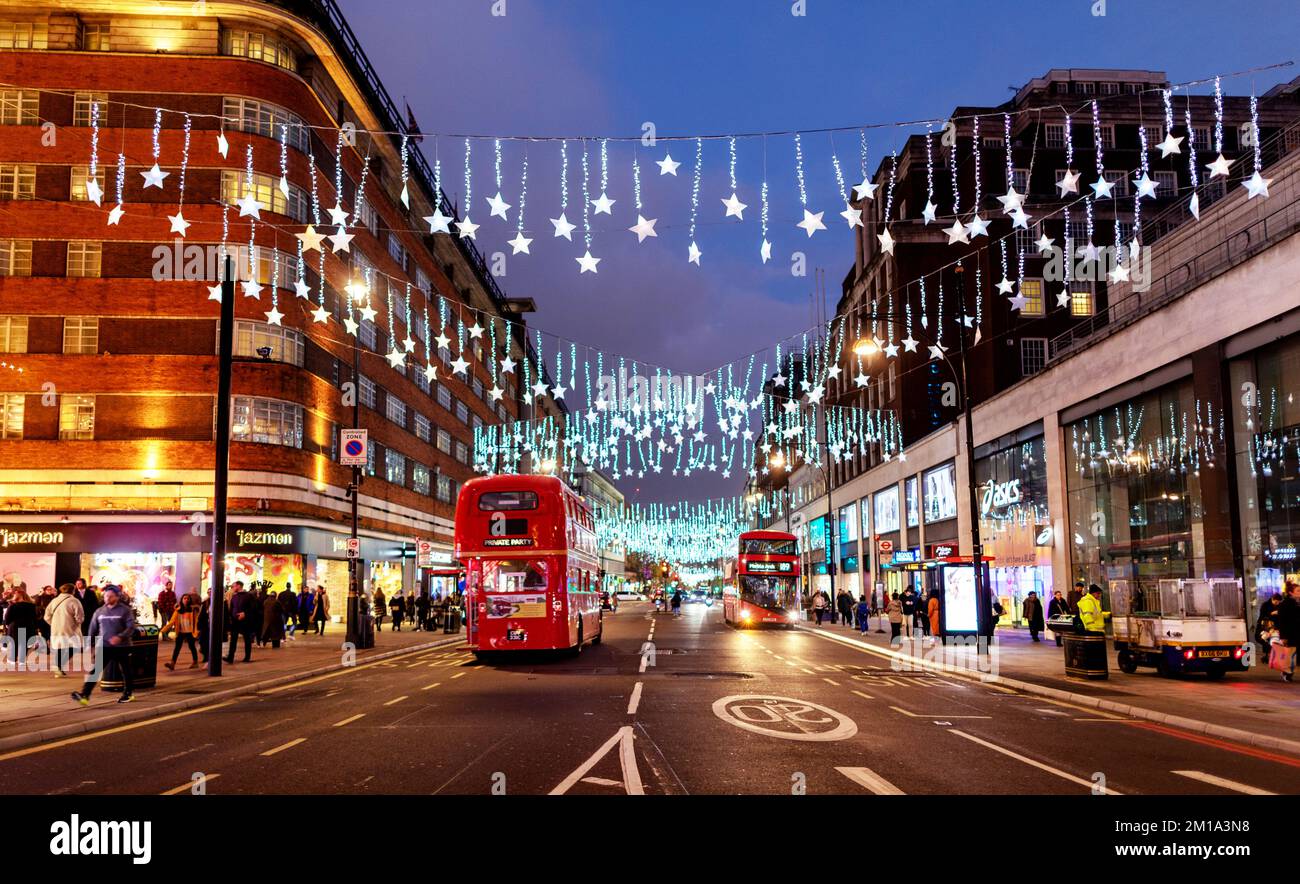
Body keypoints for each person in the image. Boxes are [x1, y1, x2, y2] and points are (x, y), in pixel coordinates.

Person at [71, 587, 136, 706]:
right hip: (104, 646)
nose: (107, 598)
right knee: (95, 671)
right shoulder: (100, 611)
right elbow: (92, 629)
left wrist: (120, 637)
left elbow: (131, 627)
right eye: (106, 596)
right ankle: (85, 694)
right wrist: (90, 645)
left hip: (122, 646)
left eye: (110, 596)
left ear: (117, 596)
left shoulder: (125, 610)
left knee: (125, 670)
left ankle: (128, 693)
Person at [44, 583, 84, 678]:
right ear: (73, 591)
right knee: (75, 647)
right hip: (70, 628)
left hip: (56, 628)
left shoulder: (54, 600)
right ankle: (59, 666)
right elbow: (80, 617)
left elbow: (47, 616)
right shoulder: (74, 601)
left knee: (59, 647)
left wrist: (53, 623)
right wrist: (78, 623)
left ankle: (58, 668)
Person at [163, 594, 200, 670]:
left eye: (188, 599)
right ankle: (172, 664)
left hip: (190, 632)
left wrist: (197, 630)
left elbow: (196, 620)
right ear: (182, 600)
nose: (186, 600)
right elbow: (172, 621)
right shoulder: (178, 610)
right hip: (181, 631)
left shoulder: (192, 610)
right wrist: (164, 630)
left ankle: (195, 662)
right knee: (177, 648)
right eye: (184, 598)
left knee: (192, 647)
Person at [3, 585, 38, 664]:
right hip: (27, 625)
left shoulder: (13, 605)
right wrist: (35, 627)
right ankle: (21, 660)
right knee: (23, 643)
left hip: (15, 626)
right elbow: (34, 618)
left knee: (14, 643)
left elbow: (7, 617)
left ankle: (12, 659)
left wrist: (7, 624)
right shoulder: (31, 606)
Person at [224, 581, 256, 664]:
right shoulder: (234, 596)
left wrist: (245, 613)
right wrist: (231, 617)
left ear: (239, 586)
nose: (232, 588)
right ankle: (230, 657)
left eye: (234, 586)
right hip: (235, 621)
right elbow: (232, 608)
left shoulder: (249, 596)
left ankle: (247, 657)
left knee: (247, 639)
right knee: (233, 640)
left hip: (245, 621)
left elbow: (254, 608)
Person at [1276, 582, 1300, 683]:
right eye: (1298, 591)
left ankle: (1288, 672)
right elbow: (1282, 621)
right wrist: (1283, 636)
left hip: (1297, 633)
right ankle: (1287, 673)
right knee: (1291, 655)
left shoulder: (1297, 602)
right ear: (1291, 592)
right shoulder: (1285, 604)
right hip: (1290, 634)